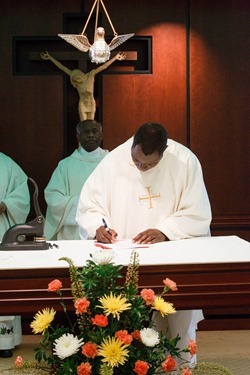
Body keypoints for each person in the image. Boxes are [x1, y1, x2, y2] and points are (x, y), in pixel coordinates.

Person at [76, 122, 212, 367]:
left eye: (150, 164)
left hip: (174, 261)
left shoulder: (185, 161)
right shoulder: (113, 162)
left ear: (165, 151)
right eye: (137, 162)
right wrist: (99, 226)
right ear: (132, 145)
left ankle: (182, 371)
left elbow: (198, 212)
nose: (142, 168)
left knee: (179, 332)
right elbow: (89, 206)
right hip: (130, 263)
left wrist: (164, 230)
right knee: (133, 331)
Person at [44, 120, 108, 240]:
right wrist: (81, 203)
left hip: (106, 228)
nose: (90, 135)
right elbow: (53, 196)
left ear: (101, 135)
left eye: (94, 131)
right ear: (78, 136)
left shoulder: (111, 162)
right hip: (73, 232)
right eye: (85, 132)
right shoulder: (65, 165)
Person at [0, 152, 30, 358]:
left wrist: (5, 205)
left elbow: (22, 196)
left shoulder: (7, 164)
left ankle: (4, 341)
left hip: (2, 231)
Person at [40, 51, 126, 121]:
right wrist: (50, 58)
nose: (77, 80)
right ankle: (81, 143)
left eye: (77, 78)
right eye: (75, 79)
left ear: (80, 74)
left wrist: (115, 58)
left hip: (91, 103)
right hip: (82, 104)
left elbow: (104, 66)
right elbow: (62, 67)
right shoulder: (77, 83)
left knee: (91, 124)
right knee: (83, 125)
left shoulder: (91, 75)